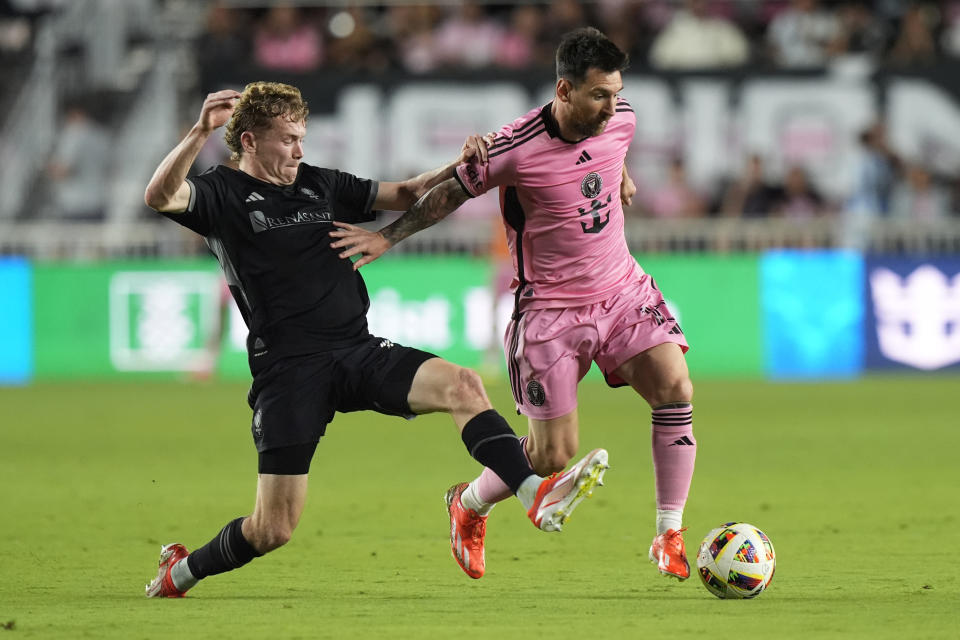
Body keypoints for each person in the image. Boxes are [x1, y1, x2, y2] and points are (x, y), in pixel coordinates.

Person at [141, 81, 609, 598]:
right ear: (249, 141)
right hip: (290, 371)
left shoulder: (317, 182)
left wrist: (461, 165)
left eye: (302, 137)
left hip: (356, 351)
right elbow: (160, 195)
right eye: (287, 139)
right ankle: (180, 572)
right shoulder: (220, 194)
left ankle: (530, 494)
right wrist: (199, 130)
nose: (299, 150)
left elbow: (406, 194)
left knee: (462, 385)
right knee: (273, 529)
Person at [330, 28, 696, 581]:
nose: (612, 106)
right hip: (549, 314)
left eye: (617, 93)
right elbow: (447, 194)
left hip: (622, 291)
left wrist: (617, 169)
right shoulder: (512, 149)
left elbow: (610, 141)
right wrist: (387, 236)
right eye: (599, 95)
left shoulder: (621, 118)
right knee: (552, 456)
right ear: (564, 89)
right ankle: (469, 503)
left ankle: (669, 534)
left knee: (675, 386)